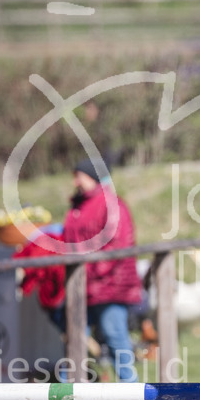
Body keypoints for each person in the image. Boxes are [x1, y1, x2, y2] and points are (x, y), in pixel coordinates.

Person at [60, 158, 146, 382]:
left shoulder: (111, 204)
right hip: (83, 284)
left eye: (79, 175)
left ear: (91, 176)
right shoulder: (77, 206)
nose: (75, 180)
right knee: (76, 335)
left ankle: (130, 384)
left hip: (110, 285)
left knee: (115, 334)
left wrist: (90, 270)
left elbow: (119, 243)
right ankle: (66, 384)